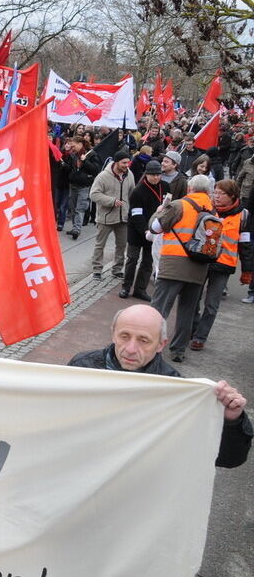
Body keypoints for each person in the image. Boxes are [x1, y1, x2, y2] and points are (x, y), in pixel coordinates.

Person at [68, 305, 251, 469]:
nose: (131, 349)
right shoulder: (83, 365)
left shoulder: (176, 389)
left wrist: (232, 421)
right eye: (124, 336)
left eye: (143, 340)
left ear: (161, 344)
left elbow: (227, 459)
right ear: (113, 333)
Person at [149, 176, 213, 362]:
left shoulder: (179, 205)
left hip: (174, 264)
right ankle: (178, 351)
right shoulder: (212, 209)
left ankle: (151, 347)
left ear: (190, 187)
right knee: (187, 310)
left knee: (159, 308)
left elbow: (155, 228)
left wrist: (159, 211)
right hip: (199, 267)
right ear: (208, 191)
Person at [189, 179, 251, 350]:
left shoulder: (243, 215)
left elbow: (245, 244)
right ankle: (193, 328)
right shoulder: (208, 209)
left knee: (211, 304)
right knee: (193, 299)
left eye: (220, 193)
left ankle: (200, 337)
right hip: (202, 260)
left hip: (224, 265)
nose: (216, 196)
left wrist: (247, 270)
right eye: (214, 192)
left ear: (232, 196)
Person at [121, 160, 165, 300]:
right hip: (137, 230)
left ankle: (140, 289)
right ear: (146, 174)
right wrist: (146, 231)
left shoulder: (165, 186)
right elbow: (136, 215)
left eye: (158, 174)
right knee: (132, 259)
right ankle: (126, 287)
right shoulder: (138, 191)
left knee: (148, 261)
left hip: (155, 231)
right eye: (153, 175)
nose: (156, 177)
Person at [89, 149, 133, 279]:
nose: (126, 165)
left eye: (128, 163)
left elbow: (132, 192)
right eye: (124, 163)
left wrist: (129, 209)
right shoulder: (103, 176)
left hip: (123, 217)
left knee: (121, 245)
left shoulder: (129, 174)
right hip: (105, 218)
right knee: (99, 245)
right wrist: (111, 201)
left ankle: (117, 269)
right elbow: (94, 194)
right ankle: (97, 270)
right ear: (116, 162)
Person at [62, 135, 101, 239]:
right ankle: (75, 227)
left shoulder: (91, 154)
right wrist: (63, 163)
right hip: (73, 185)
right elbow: (70, 168)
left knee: (80, 208)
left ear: (80, 144)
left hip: (84, 186)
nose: (72, 148)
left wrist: (85, 161)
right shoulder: (73, 155)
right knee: (73, 208)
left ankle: (77, 229)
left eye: (74, 146)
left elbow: (95, 170)